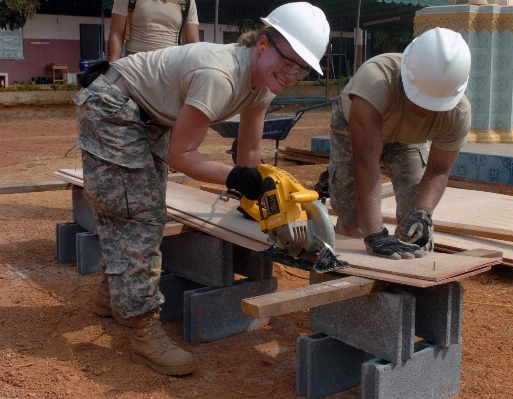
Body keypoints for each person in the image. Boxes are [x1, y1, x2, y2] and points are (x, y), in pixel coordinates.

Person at [74, 2, 330, 375]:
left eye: (300, 68)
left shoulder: (263, 84)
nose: (291, 74)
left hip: (146, 114)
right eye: (288, 61)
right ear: (262, 44)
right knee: (138, 211)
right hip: (113, 105)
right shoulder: (221, 74)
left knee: (136, 205)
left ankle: (113, 293)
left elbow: (250, 153)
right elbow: (183, 154)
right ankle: (143, 331)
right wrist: (234, 180)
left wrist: (260, 198)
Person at [327, 27, 472, 260]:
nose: (424, 109)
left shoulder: (458, 114)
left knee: (415, 219)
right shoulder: (375, 80)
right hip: (354, 127)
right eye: (420, 98)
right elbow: (366, 161)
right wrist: (375, 234)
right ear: (406, 75)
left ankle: (411, 276)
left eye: (434, 104)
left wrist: (423, 214)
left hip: (407, 140)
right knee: (352, 212)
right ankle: (350, 270)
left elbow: (438, 170)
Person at [107, 0, 200, 62]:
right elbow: (116, 33)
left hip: (170, 68)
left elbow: (193, 43)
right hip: (135, 65)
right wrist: (112, 66)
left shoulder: (187, 1)